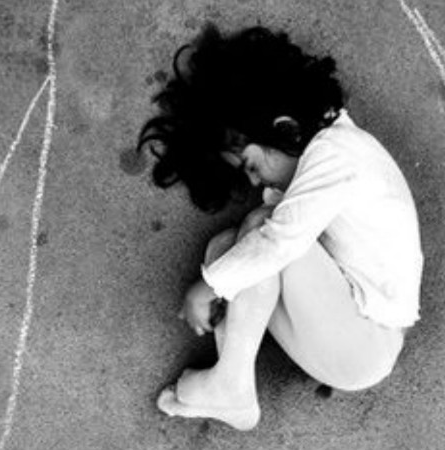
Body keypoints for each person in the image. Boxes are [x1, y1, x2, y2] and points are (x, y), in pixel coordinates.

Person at [136, 23, 424, 431]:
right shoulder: (324, 157)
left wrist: (209, 287)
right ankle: (232, 384)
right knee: (225, 250)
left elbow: (280, 241)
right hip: (338, 337)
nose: (256, 182)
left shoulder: (337, 153)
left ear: (286, 128)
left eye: (252, 166)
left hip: (367, 341)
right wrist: (219, 278)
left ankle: (229, 385)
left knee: (260, 233)